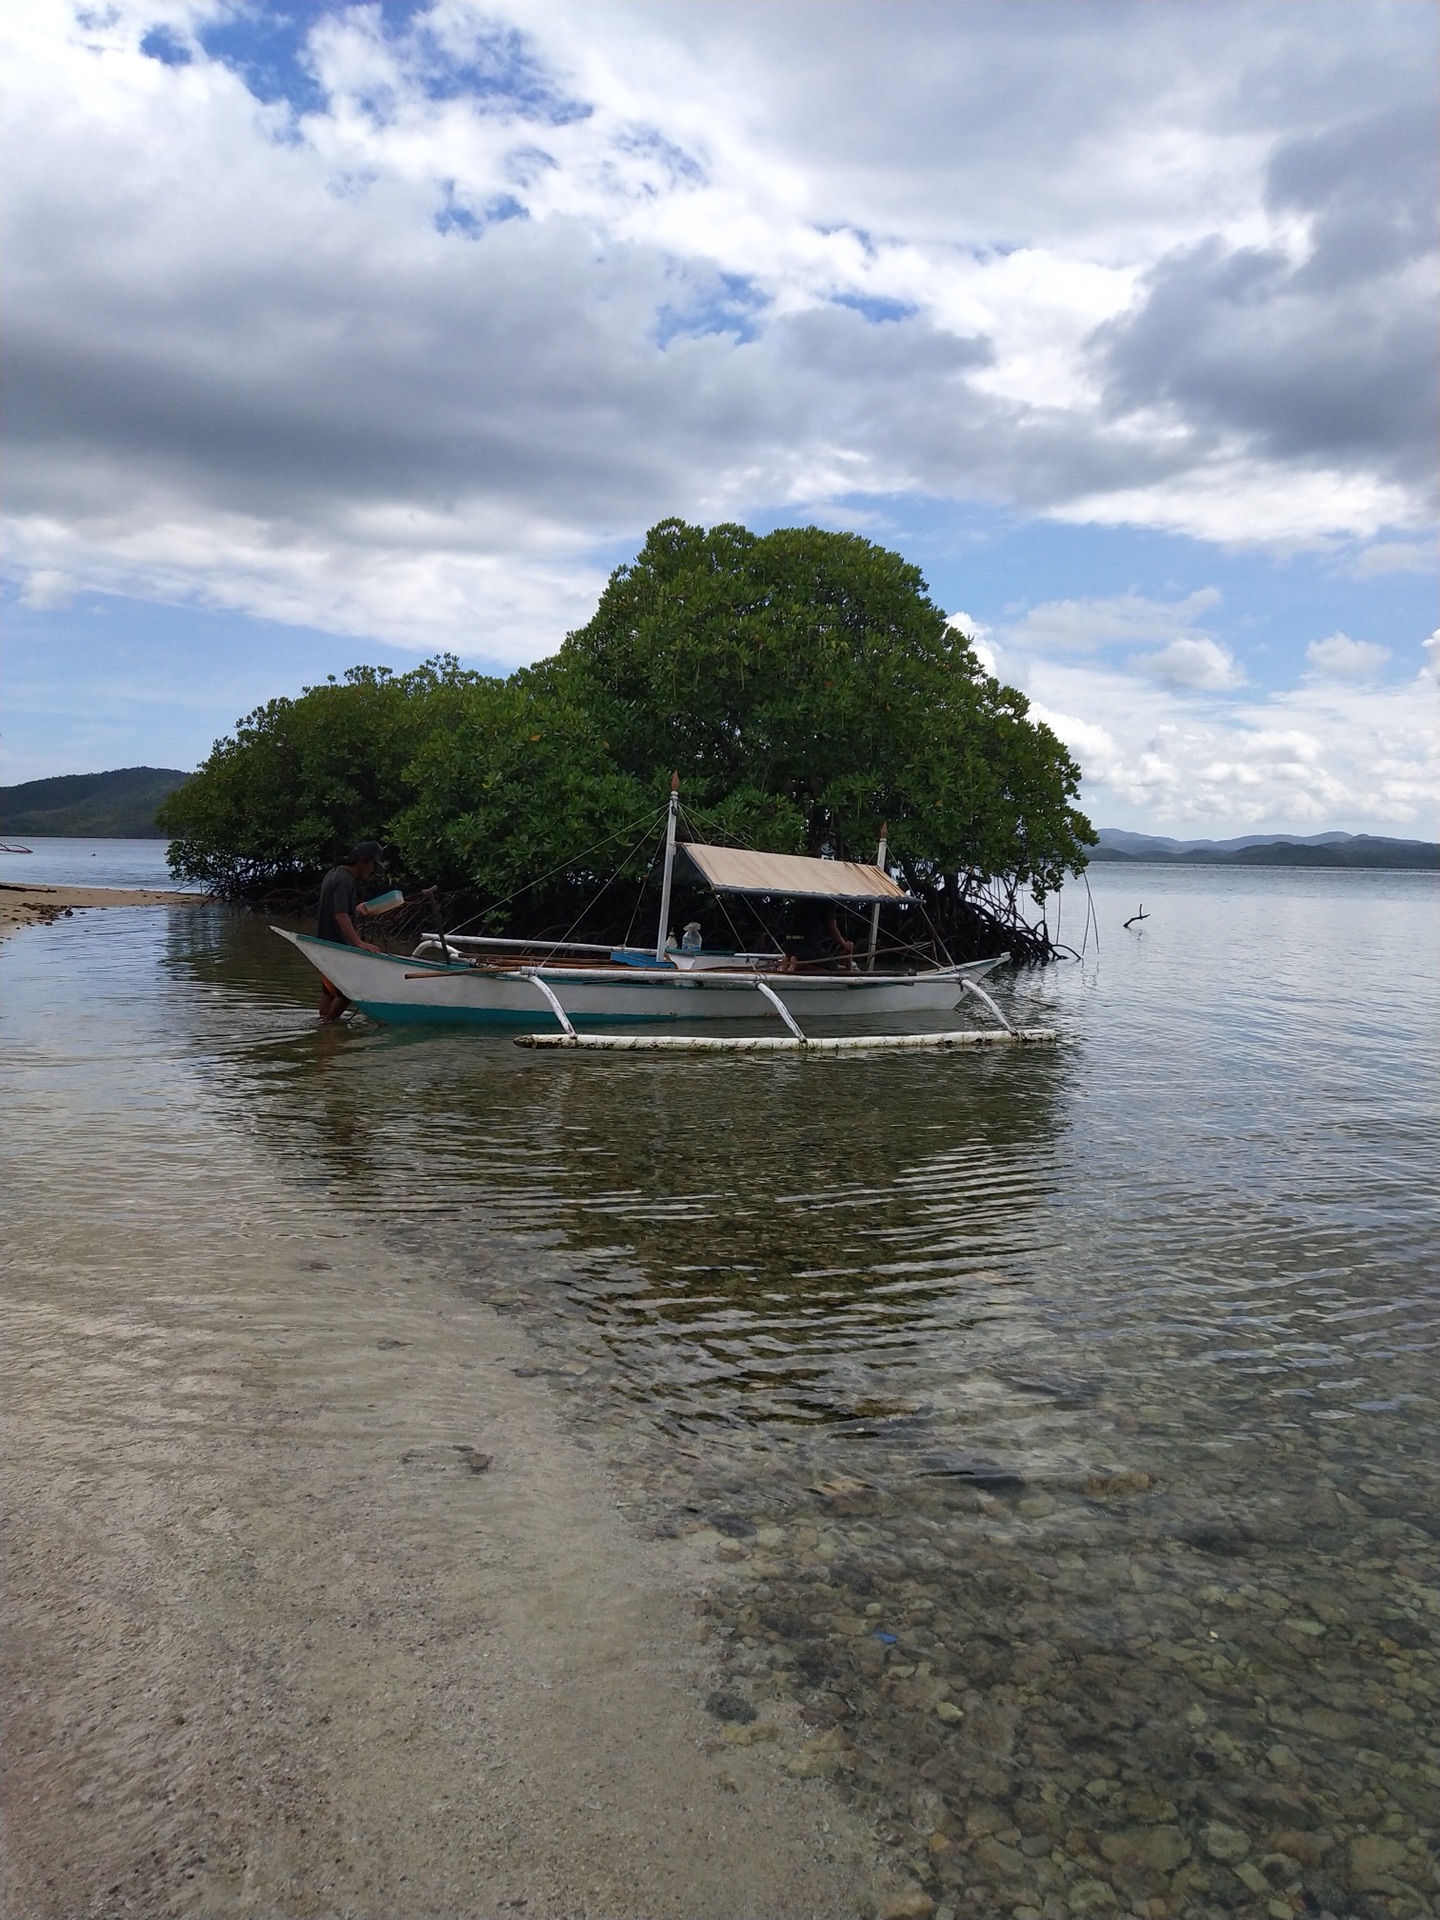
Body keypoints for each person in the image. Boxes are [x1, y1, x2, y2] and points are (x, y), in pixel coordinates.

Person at [315, 841, 384, 1022]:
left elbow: (339, 910)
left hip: (325, 945)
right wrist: (359, 943)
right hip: (336, 947)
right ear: (362, 860)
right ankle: (328, 1027)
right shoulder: (344, 879)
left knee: (329, 992)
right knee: (347, 993)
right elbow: (339, 914)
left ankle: (324, 1027)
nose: (373, 870)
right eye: (372, 865)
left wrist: (357, 909)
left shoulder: (334, 874)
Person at [778, 897, 855, 973]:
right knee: (831, 971)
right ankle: (799, 964)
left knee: (825, 963)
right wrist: (844, 944)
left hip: (790, 942)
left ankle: (788, 959)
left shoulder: (806, 897)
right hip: (807, 944)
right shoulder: (828, 901)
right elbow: (832, 928)